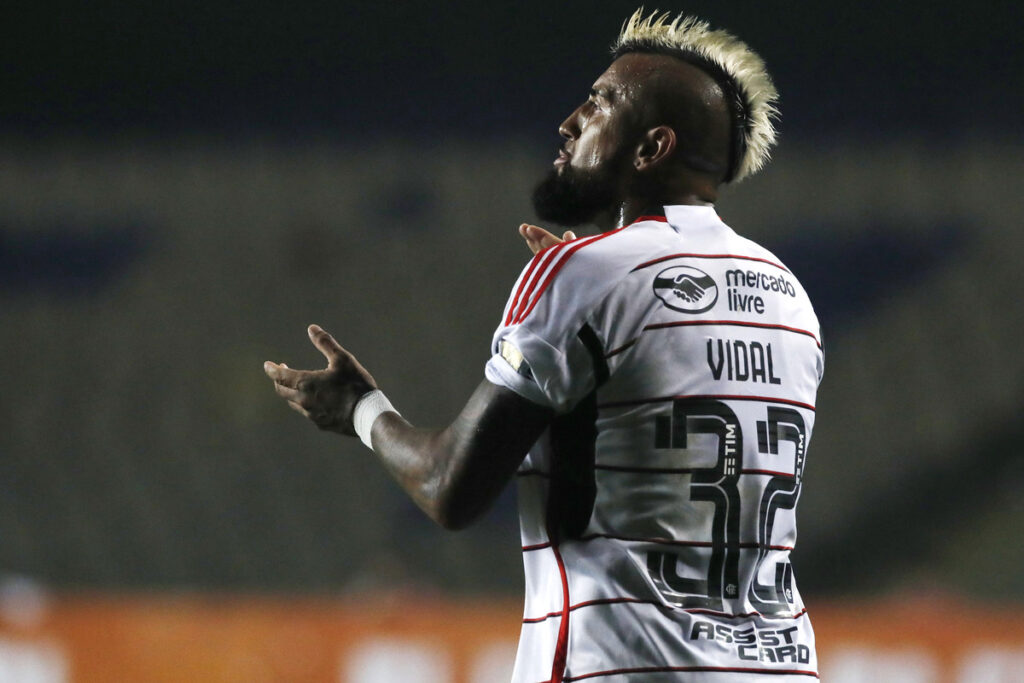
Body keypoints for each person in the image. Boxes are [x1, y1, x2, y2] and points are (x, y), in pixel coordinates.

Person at [265, 9, 823, 682]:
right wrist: (590, 299)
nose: (571, 120)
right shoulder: (786, 291)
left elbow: (451, 487)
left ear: (650, 149)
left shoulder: (586, 273)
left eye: (602, 102)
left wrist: (359, 408)